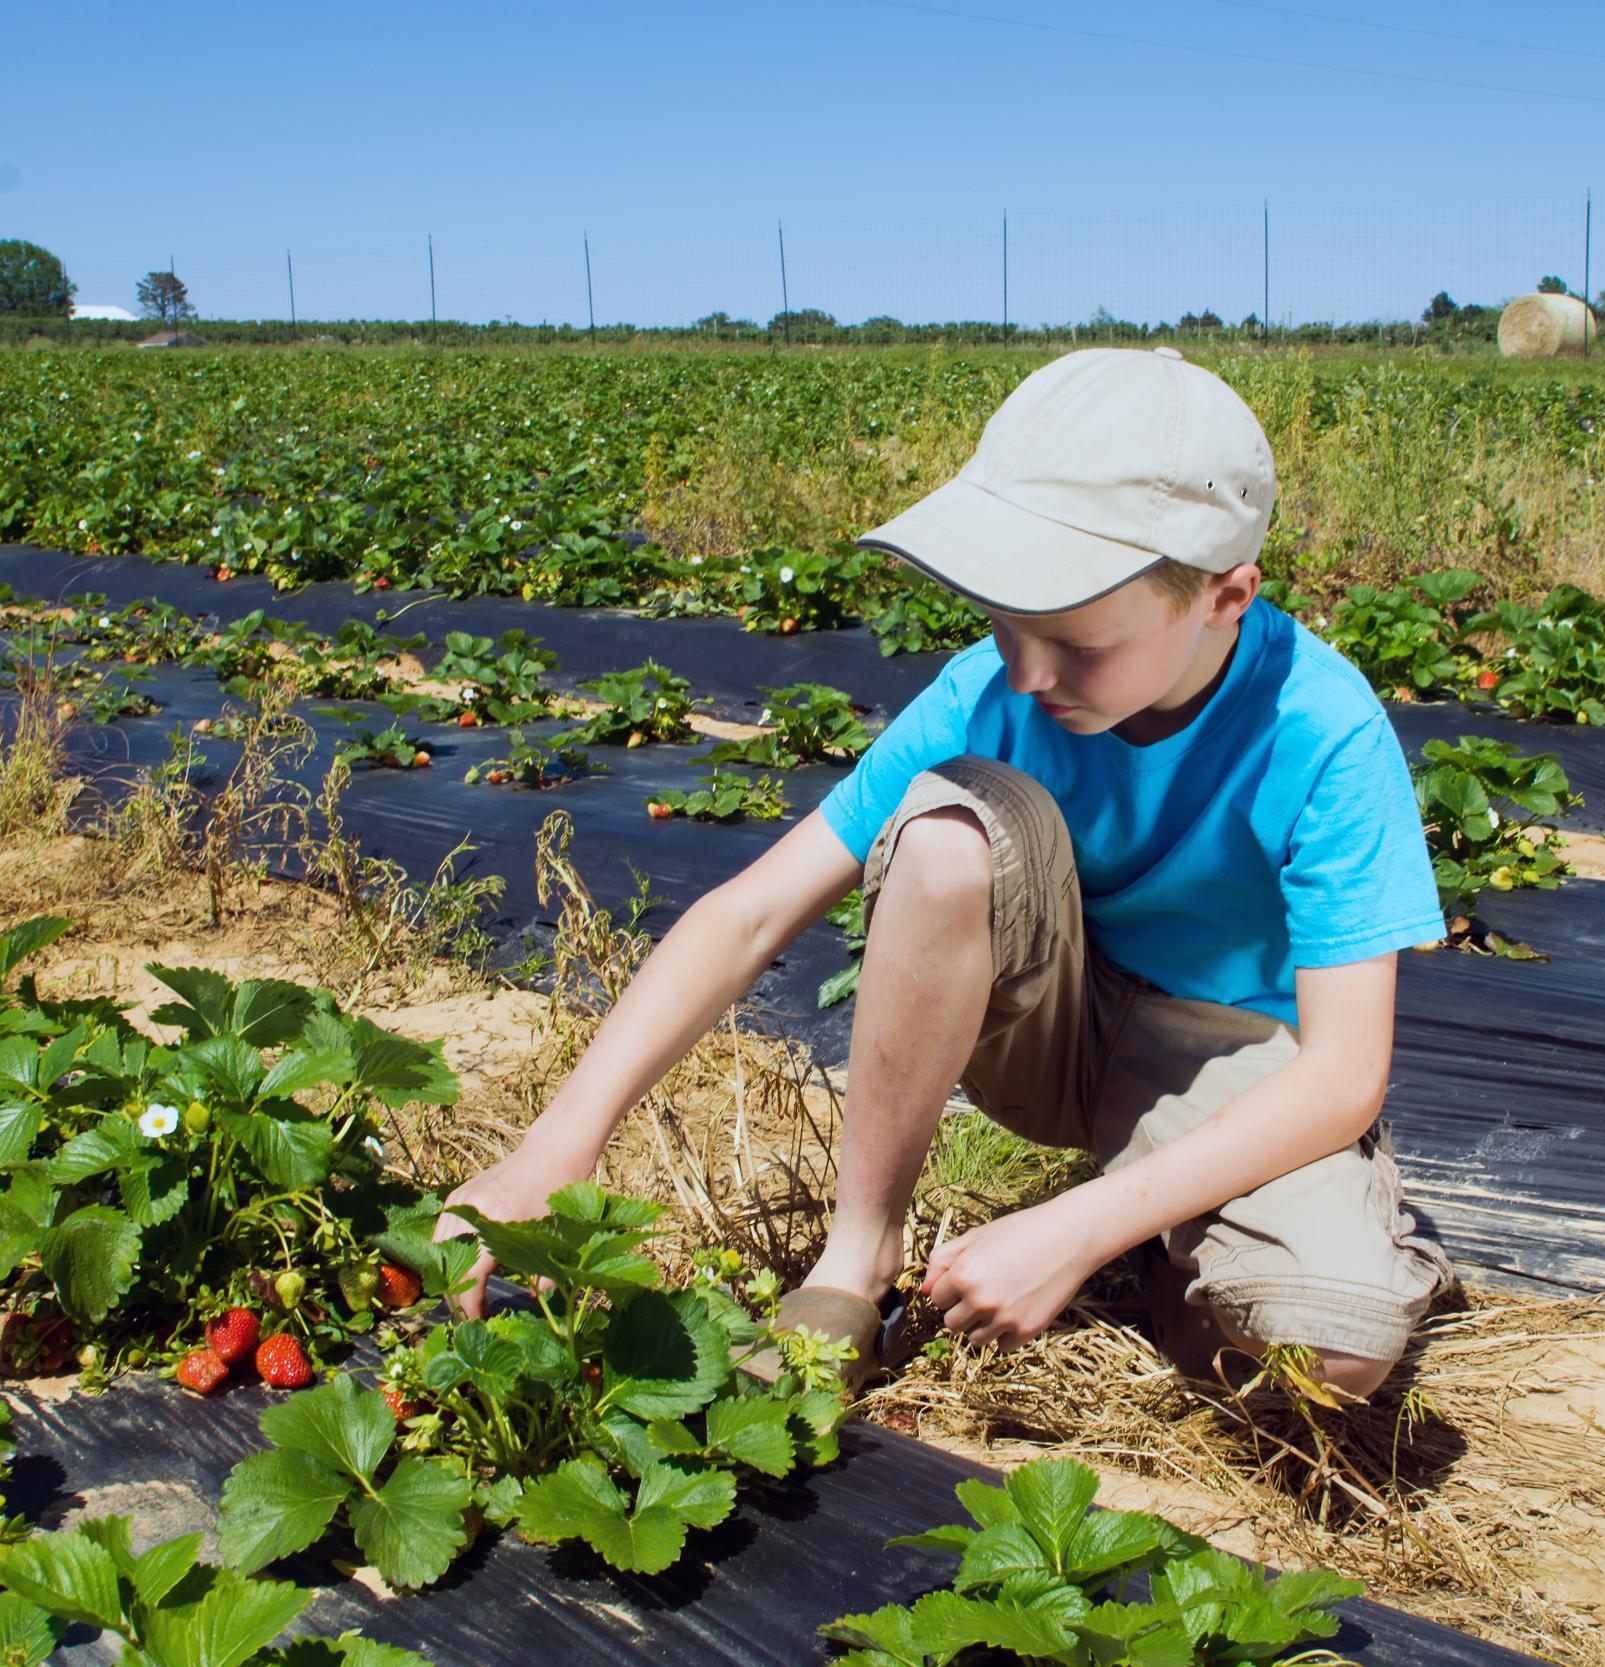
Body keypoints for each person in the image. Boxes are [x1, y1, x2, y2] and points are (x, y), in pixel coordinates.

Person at [439, 346, 1452, 1398]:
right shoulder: (990, 692)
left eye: (1075, 639)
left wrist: (1076, 1227)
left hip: (1221, 1052)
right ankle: (857, 1258)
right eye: (1004, 621)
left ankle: (1164, 1240)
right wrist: (551, 1148)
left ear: (1224, 597)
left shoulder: (1322, 728)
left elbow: (1342, 1073)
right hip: (1043, 1026)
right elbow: (749, 914)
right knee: (943, 832)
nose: (1026, 671)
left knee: (1325, 1360)